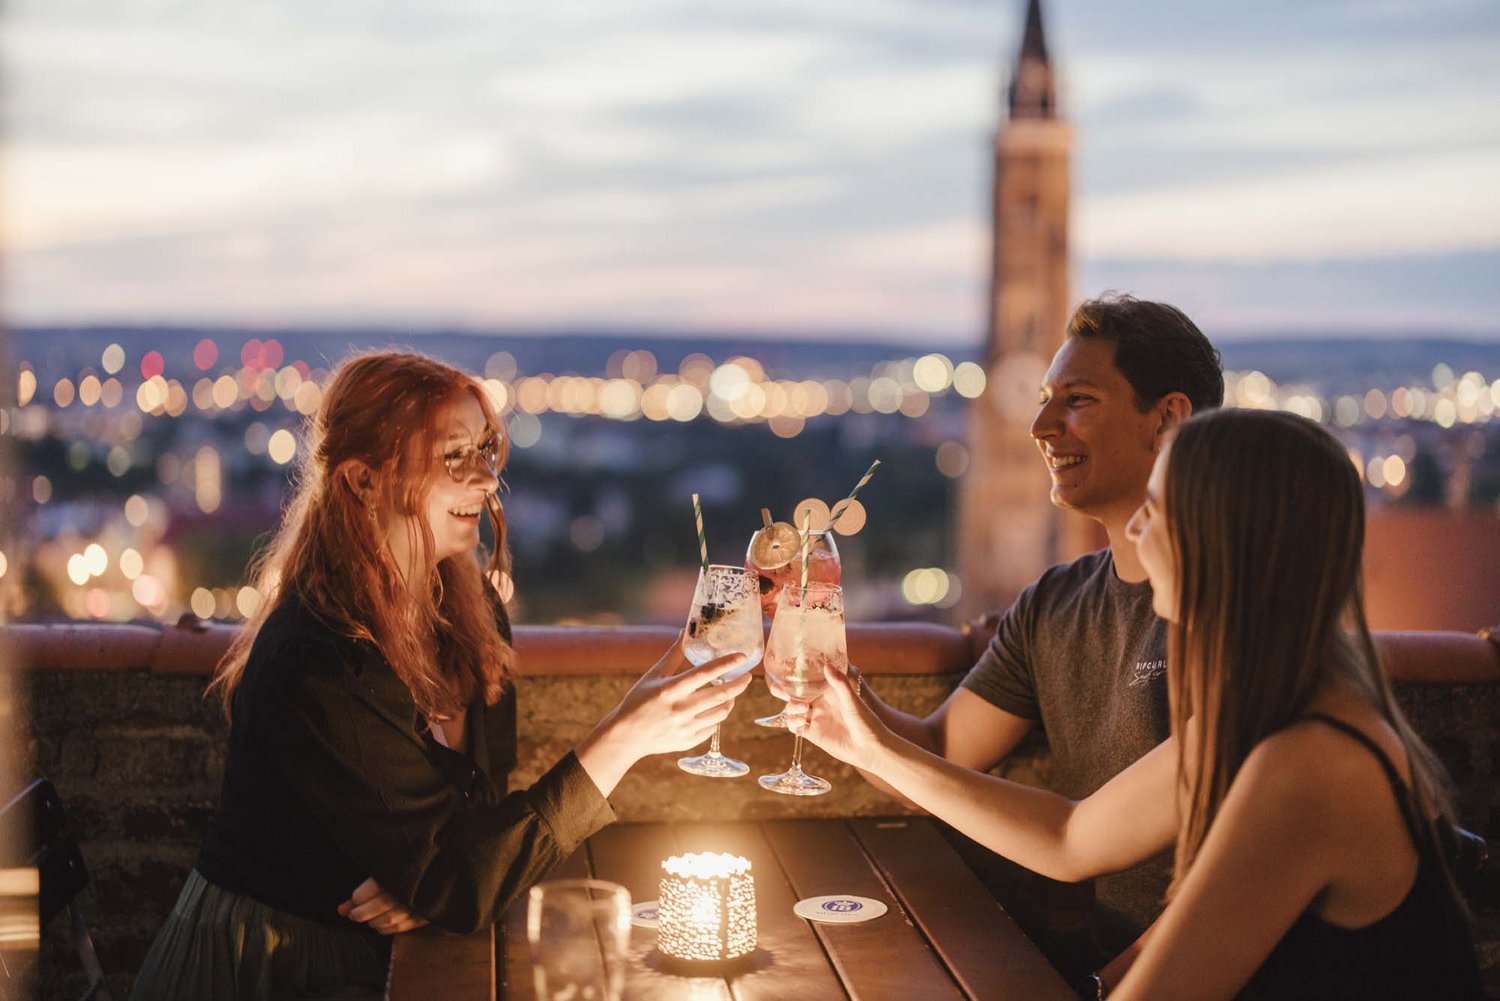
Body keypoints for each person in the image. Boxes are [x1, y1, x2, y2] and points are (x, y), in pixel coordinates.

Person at [848, 293, 1500, 976]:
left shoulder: (1311, 760)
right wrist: (850, 723)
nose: (1135, 530)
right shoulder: (1263, 703)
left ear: (1217, 537)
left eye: (1157, 509)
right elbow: (1071, 836)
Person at [131, 351, 751, 1000]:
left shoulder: (469, 609)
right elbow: (461, 874)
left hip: (396, 952)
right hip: (273, 961)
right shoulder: (317, 658)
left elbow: (472, 827)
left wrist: (433, 890)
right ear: (363, 482)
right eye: (453, 456)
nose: (486, 479)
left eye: (486, 449)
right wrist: (625, 734)